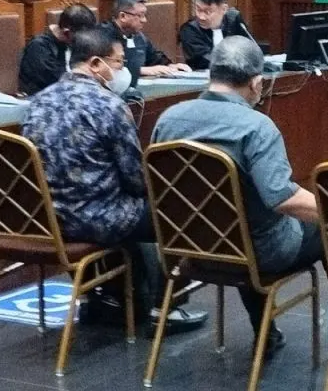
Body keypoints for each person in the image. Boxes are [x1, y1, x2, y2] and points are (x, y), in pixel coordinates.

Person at [151, 37, 328, 366]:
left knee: (239, 218)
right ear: (256, 83)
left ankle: (265, 331)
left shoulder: (168, 119)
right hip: (257, 253)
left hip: (190, 251)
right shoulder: (256, 127)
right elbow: (283, 199)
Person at [21, 27, 207, 332]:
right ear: (95, 63)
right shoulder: (109, 105)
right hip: (100, 218)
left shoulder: (38, 103)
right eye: (119, 62)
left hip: (48, 218)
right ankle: (164, 308)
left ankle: (106, 298)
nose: (122, 70)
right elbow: (136, 179)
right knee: (181, 212)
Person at [102, 0, 190, 90]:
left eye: (145, 15)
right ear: (123, 16)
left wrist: (170, 66)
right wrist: (141, 70)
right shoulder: (103, 36)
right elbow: (106, 67)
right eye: (140, 16)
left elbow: (154, 57)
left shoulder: (138, 36)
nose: (144, 20)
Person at [18, 3, 97, 95]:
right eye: (81, 37)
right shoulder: (39, 47)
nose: (85, 41)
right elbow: (58, 82)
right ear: (66, 32)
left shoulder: (75, 43)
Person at [178, 0, 255, 70]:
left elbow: (249, 48)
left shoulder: (233, 19)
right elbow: (205, 60)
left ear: (224, 9)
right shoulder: (190, 29)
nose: (201, 17)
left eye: (208, 12)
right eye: (198, 10)